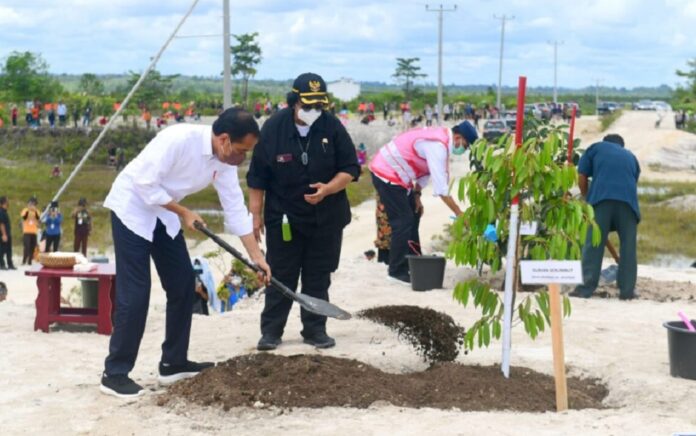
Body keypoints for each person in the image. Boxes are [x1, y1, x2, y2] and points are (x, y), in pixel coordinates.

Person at [100, 107, 271, 398]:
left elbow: (234, 209)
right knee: (136, 292)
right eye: (242, 150)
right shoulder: (178, 139)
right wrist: (183, 211)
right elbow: (144, 183)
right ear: (224, 139)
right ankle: (115, 373)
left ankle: (173, 362)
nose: (243, 159)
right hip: (132, 209)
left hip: (162, 215)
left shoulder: (225, 162)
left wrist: (257, 258)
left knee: (182, 285)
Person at [247, 72, 360, 351]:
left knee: (318, 275)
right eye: (307, 106)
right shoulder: (273, 129)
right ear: (294, 101)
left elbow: (351, 168)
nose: (313, 112)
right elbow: (257, 177)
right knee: (281, 274)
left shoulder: (332, 127)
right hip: (284, 217)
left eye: (318, 106)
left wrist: (328, 189)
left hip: (326, 217)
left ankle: (315, 329)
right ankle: (271, 331)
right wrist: (256, 216)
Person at [369, 121, 478, 283]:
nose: (463, 149)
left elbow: (425, 171)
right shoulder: (438, 146)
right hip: (386, 173)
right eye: (465, 145)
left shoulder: (441, 142)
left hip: (398, 176)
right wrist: (459, 213)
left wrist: (417, 194)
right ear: (457, 137)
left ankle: (413, 260)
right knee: (403, 221)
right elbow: (441, 189)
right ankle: (396, 271)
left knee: (413, 212)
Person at [571, 134, 640, 300]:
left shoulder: (595, 148)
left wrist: (587, 197)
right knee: (628, 247)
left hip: (601, 200)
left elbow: (582, 176)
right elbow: (632, 181)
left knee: (594, 243)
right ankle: (627, 292)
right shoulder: (631, 157)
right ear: (621, 145)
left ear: (605, 141)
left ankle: (585, 289)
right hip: (628, 205)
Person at [21, 197, 41, 265]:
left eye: (34, 204)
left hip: (34, 231)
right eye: (31, 203)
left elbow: (38, 218)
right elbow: (24, 217)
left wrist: (34, 211)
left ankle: (29, 260)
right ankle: (24, 259)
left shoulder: (36, 211)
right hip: (26, 231)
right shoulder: (25, 210)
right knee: (27, 246)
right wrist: (28, 210)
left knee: (32, 246)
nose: (32, 205)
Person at [0, 196, 15, 270]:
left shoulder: (5, 211)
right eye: (7, 201)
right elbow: (1, 224)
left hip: (8, 234)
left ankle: (10, 264)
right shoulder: (1, 211)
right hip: (4, 234)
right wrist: (4, 234)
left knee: (9, 250)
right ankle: (2, 264)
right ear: (4, 202)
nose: (8, 202)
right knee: (2, 250)